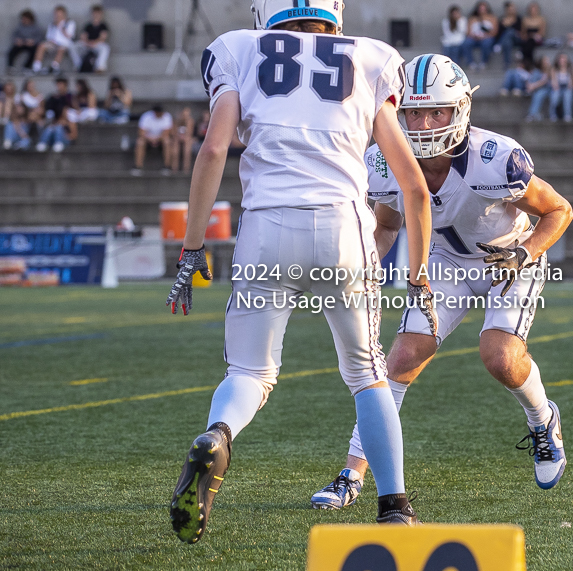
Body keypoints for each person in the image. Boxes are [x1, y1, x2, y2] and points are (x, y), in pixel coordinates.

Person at [166, 0, 435, 543]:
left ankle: (219, 435)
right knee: (366, 373)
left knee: (248, 373)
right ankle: (394, 506)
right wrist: (420, 275)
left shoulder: (239, 48)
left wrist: (191, 251)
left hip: (266, 227)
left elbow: (214, 148)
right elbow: (412, 185)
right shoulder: (369, 57)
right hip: (343, 229)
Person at [310, 53, 572, 511]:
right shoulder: (385, 161)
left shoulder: (497, 158)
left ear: (461, 110)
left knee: (500, 356)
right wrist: (364, 259)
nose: (425, 123)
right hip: (445, 262)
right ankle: (352, 472)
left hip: (506, 258)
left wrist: (525, 253)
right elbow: (388, 224)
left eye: (437, 111)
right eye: (413, 112)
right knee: (401, 358)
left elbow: (558, 210)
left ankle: (542, 418)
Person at [32, 6, 77, 74]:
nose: (57, 16)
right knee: (41, 45)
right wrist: (51, 41)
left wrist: (61, 27)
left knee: (61, 48)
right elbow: (48, 37)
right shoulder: (52, 24)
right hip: (53, 44)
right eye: (56, 14)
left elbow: (69, 37)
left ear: (64, 14)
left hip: (65, 44)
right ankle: (36, 68)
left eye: (59, 14)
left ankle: (54, 67)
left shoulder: (70, 23)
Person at [36, 78, 77, 152]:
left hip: (64, 140)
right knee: (50, 128)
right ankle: (42, 143)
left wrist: (65, 136)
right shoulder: (55, 120)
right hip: (53, 139)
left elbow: (74, 135)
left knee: (58, 128)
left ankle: (58, 142)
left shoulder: (70, 120)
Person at [131, 105, 173, 176]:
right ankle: (138, 167)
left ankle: (167, 166)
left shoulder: (167, 116)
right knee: (140, 142)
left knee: (167, 141)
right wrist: (150, 139)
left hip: (160, 140)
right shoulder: (146, 116)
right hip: (148, 139)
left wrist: (156, 139)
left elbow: (166, 133)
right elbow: (141, 132)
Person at [74, 5, 111, 73]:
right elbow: (83, 36)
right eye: (94, 13)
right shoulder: (88, 25)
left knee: (105, 48)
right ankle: (79, 65)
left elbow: (103, 38)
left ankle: (99, 67)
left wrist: (94, 43)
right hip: (87, 44)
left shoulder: (103, 25)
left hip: (97, 45)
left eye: (98, 13)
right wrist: (88, 42)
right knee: (74, 46)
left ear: (101, 14)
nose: (96, 15)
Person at [463, 1, 498, 70]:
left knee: (487, 43)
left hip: (486, 38)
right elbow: (468, 32)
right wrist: (474, 36)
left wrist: (485, 36)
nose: (482, 11)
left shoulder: (492, 18)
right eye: (480, 9)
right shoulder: (472, 19)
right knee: (466, 43)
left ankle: (484, 62)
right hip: (474, 38)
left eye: (483, 9)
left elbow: (494, 32)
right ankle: (471, 62)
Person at [524, 55, 552, 121]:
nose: (547, 63)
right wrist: (530, 86)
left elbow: (544, 82)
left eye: (548, 61)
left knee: (539, 93)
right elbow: (530, 81)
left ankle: (532, 114)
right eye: (545, 61)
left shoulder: (551, 71)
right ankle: (534, 114)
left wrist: (533, 86)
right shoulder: (537, 71)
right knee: (538, 92)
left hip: (549, 90)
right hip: (538, 89)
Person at [496, 2, 522, 69]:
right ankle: (507, 63)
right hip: (508, 41)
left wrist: (509, 25)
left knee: (510, 31)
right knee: (507, 42)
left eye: (512, 9)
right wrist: (504, 25)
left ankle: (500, 44)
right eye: (510, 9)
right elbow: (499, 33)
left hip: (516, 39)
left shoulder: (518, 19)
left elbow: (520, 31)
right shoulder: (502, 19)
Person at [549, 53, 573, 122]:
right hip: (557, 87)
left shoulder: (570, 69)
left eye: (564, 58)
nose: (562, 60)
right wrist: (556, 86)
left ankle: (567, 115)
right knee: (555, 96)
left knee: (567, 96)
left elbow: (571, 82)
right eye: (561, 58)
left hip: (566, 87)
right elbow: (553, 81)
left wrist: (569, 86)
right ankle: (553, 114)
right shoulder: (554, 69)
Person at [171, 107, 195, 173]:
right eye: (184, 115)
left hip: (187, 139)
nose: (185, 116)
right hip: (177, 139)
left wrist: (187, 122)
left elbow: (189, 133)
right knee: (175, 145)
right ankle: (174, 168)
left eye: (187, 115)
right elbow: (173, 133)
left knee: (187, 146)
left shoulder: (190, 121)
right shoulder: (176, 122)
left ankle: (186, 168)